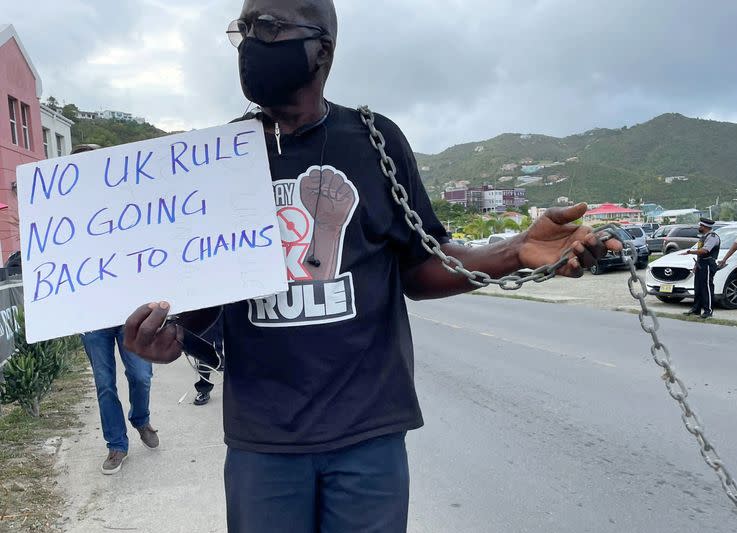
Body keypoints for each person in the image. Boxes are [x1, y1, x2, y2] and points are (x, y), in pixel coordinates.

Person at [122, 1, 622, 531]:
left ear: (323, 50)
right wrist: (169, 331)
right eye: (242, 29)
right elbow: (206, 290)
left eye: (267, 28)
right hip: (264, 437)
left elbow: (419, 269)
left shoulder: (375, 140)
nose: (250, 44)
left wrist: (516, 251)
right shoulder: (222, 154)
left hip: (368, 433)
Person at [72, 144, 160, 475]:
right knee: (104, 382)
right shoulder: (63, 213)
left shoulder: (128, 204)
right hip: (91, 314)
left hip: (129, 311)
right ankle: (116, 445)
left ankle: (141, 419)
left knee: (141, 375)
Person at [681, 217, 721, 319]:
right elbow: (700, 254)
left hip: (708, 264)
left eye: (701, 226)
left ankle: (708, 311)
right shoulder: (703, 236)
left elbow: (705, 251)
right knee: (698, 287)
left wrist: (689, 252)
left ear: (705, 227)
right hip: (701, 263)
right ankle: (696, 309)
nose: (699, 227)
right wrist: (696, 265)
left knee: (706, 288)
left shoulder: (712, 237)